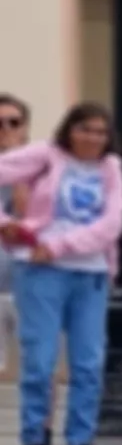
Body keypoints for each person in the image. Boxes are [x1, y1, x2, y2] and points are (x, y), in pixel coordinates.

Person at [3, 102, 122, 445]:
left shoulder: (110, 168)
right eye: (85, 129)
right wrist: (8, 224)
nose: (92, 138)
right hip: (41, 272)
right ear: (69, 130)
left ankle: (80, 444)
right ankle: (36, 442)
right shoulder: (45, 155)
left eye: (100, 131)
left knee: (88, 361)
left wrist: (60, 245)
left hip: (89, 272)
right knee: (39, 360)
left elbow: (112, 223)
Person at [0, 94, 24, 393]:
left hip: (23, 282)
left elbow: (28, 214)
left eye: (13, 122)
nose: (5, 129)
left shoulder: (38, 170)